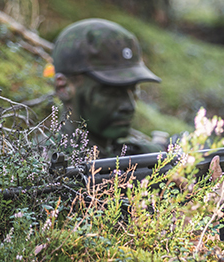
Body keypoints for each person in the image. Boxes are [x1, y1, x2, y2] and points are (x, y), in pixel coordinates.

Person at [50, 18, 167, 158]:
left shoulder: (133, 153)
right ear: (63, 87)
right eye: (111, 91)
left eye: (134, 89)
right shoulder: (43, 164)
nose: (129, 106)